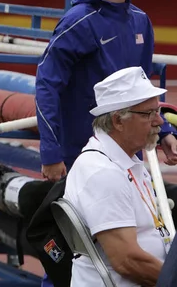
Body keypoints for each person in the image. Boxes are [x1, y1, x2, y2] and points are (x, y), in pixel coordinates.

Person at [36, 0, 177, 183]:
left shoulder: (140, 20)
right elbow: (47, 86)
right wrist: (50, 152)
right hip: (82, 154)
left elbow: (144, 93)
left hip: (129, 152)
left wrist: (163, 130)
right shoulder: (78, 22)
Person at [65, 66, 170, 286]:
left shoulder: (122, 159)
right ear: (118, 121)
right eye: (148, 114)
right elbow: (128, 261)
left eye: (157, 111)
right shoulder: (103, 172)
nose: (159, 122)